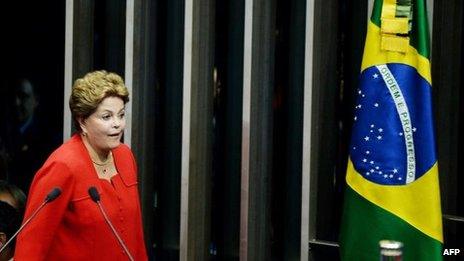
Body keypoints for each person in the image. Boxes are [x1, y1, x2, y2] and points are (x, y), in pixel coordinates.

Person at [14, 71, 148, 260]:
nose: (117, 124)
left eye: (121, 115)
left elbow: (136, 235)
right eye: (106, 117)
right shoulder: (62, 166)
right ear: (82, 121)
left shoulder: (125, 156)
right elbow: (31, 246)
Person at [2, 78, 59, 194]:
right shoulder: (4, 132)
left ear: (36, 100)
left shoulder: (46, 139)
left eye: (23, 96)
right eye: (14, 96)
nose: (16, 103)